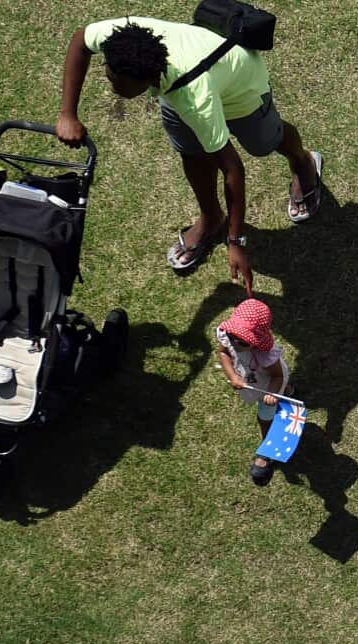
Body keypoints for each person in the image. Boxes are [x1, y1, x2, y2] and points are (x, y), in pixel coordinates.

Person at [56, 17, 323, 293]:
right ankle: (211, 218)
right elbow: (80, 40)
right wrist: (67, 114)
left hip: (241, 89)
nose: (110, 85)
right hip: (179, 88)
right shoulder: (121, 39)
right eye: (109, 74)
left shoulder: (195, 99)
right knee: (191, 152)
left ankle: (304, 163)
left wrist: (236, 242)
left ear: (146, 79)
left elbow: (232, 169)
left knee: (265, 143)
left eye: (117, 82)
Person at [215, 298, 290, 484]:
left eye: (243, 341)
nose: (235, 343)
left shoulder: (266, 354)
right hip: (249, 379)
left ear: (256, 341)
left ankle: (267, 450)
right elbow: (223, 353)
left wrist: (272, 394)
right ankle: (288, 392)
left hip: (268, 386)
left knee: (264, 418)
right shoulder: (229, 336)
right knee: (277, 397)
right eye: (233, 337)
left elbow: (277, 376)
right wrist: (233, 375)